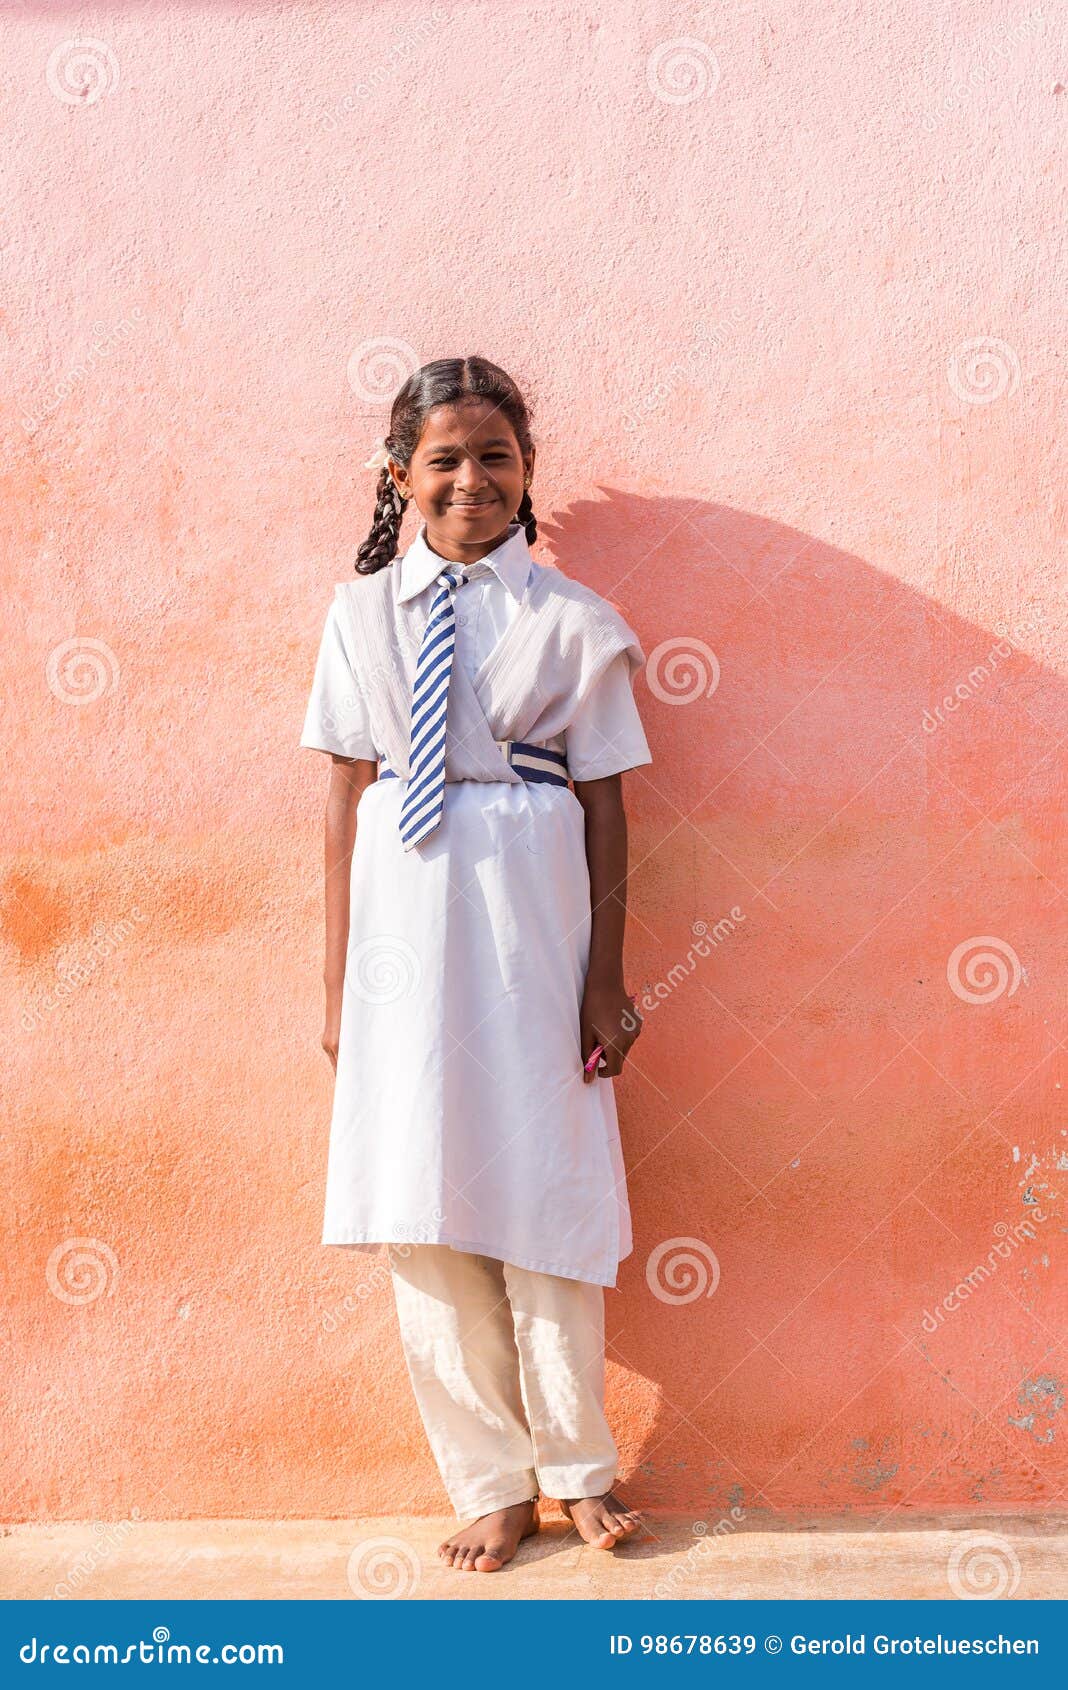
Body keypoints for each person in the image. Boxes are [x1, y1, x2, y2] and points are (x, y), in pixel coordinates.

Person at [301, 355, 652, 1572]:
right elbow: (344, 800)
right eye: (444, 458)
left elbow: (609, 806)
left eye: (494, 457)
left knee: (545, 1192)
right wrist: (340, 981)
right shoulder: (357, 620)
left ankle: (578, 1466)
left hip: (532, 923)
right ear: (399, 477)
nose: (470, 479)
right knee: (425, 1201)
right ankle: (491, 1478)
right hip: (406, 939)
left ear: (526, 475)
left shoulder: (574, 622)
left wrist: (603, 977)